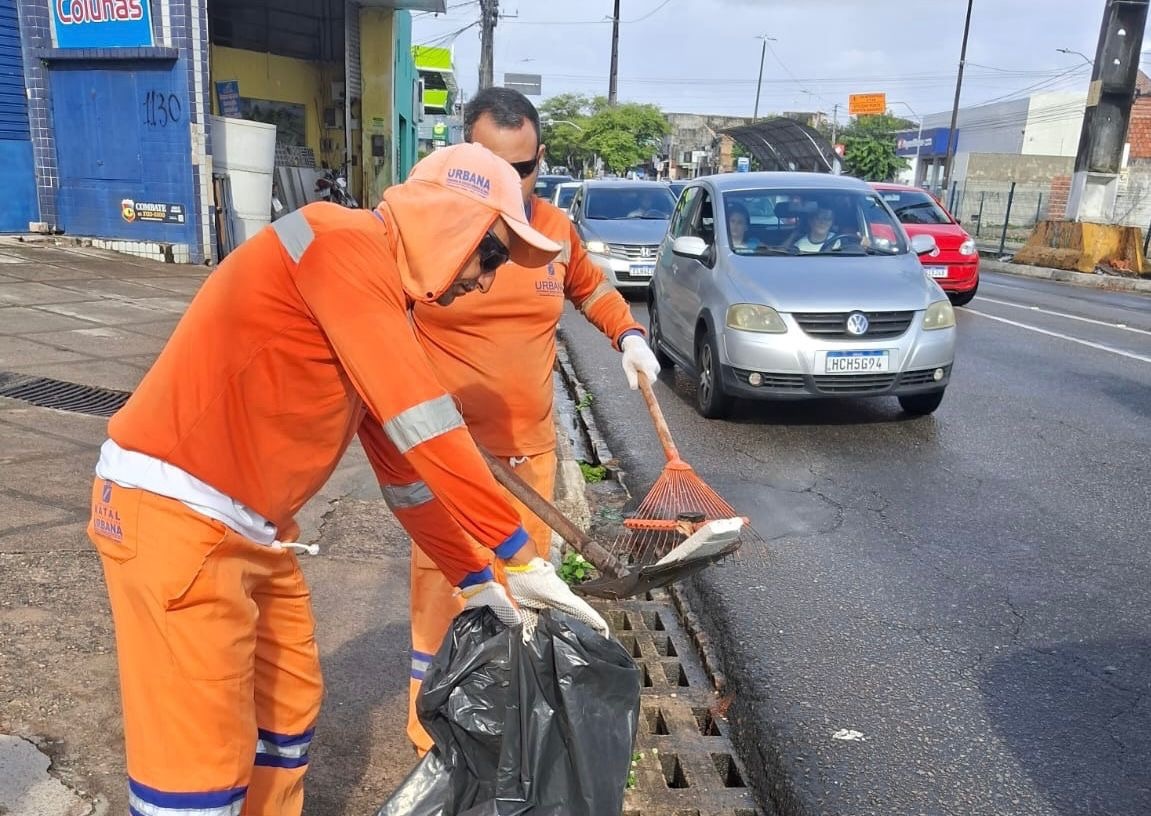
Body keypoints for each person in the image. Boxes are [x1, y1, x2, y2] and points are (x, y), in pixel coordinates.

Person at [86, 143, 609, 816]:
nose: (485, 281)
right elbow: (425, 425)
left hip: (249, 531)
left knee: (285, 712)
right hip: (175, 518)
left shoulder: (374, 297)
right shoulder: (338, 243)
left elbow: (406, 474)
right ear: (449, 221)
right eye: (492, 255)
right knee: (198, 761)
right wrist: (518, 553)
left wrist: (475, 578)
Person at [374, 87, 661, 754]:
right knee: (449, 599)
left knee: (520, 599)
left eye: (526, 168)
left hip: (528, 454)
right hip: (446, 461)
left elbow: (590, 287)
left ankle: (501, 729)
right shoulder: (426, 239)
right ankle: (432, 737)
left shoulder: (553, 232)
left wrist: (628, 337)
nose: (515, 182)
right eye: (498, 165)